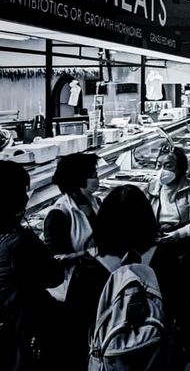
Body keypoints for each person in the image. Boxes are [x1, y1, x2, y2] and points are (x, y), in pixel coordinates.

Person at [64, 184, 170, 371]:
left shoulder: (90, 266)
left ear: (104, 222)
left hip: (109, 358)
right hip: (155, 351)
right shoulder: (162, 256)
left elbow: (75, 322)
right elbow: (178, 304)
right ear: (147, 219)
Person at [147, 147, 190, 371]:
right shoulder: (153, 188)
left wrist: (179, 233)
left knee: (180, 306)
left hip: (186, 253)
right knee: (173, 306)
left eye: (168, 166)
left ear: (181, 169)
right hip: (161, 255)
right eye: (159, 165)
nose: (162, 171)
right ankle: (184, 351)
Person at [0, 161, 64, 370]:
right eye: (24, 190)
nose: (28, 197)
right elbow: (55, 277)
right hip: (23, 329)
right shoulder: (21, 241)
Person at [44, 152, 101, 301]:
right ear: (78, 180)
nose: (97, 179)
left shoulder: (96, 202)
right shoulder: (59, 214)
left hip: (94, 280)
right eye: (93, 175)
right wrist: (87, 254)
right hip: (71, 291)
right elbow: (55, 259)